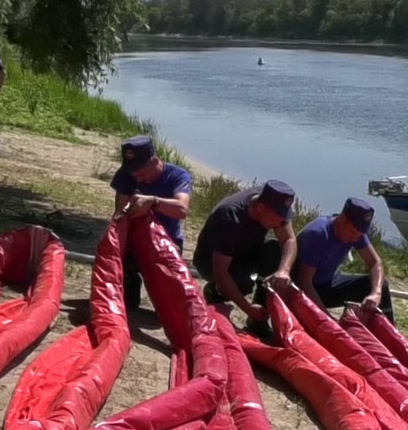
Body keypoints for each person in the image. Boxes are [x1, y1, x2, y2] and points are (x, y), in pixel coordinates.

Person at [193, 179, 299, 327]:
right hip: (211, 260)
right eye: (275, 219)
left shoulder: (271, 201)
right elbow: (221, 272)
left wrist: (283, 271)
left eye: (282, 219)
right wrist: (247, 308)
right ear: (260, 208)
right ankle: (214, 292)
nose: (278, 224)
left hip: (245, 250)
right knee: (242, 283)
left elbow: (289, 239)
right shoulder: (230, 216)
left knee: (277, 251)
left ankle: (259, 318)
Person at [109, 135, 192, 311]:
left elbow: (182, 210)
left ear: (154, 161)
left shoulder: (178, 176)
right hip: (134, 240)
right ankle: (130, 285)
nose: (139, 179)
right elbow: (119, 214)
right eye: (134, 174)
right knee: (124, 296)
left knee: (171, 306)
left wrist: (153, 202)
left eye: (142, 174)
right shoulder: (125, 175)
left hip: (167, 243)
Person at [292, 196, 394, 322]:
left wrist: (376, 293)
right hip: (303, 290)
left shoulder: (356, 233)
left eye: (360, 235)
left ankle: (387, 329)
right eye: (353, 232)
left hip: (328, 284)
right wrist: (328, 319)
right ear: (343, 219)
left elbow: (375, 263)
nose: (356, 238)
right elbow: (304, 283)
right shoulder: (318, 234)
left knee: (378, 284)